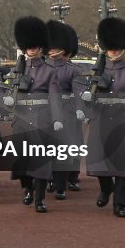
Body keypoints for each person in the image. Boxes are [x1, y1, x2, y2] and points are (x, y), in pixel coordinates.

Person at [83, 17, 125, 217]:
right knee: (98, 160)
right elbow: (89, 97)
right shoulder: (97, 70)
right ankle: (106, 188)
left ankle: (121, 204)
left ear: (123, 48)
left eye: (117, 47)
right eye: (110, 47)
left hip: (124, 119)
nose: (114, 50)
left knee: (123, 163)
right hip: (101, 119)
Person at [2, 17, 63, 213]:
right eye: (28, 46)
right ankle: (27, 188)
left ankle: (40, 198)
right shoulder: (16, 70)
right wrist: (7, 101)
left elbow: (54, 96)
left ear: (40, 47)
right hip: (20, 118)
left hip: (41, 117)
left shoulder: (49, 71)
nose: (31, 49)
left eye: (34, 46)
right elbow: (7, 92)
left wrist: (57, 118)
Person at [45, 20, 84, 200]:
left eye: (55, 47)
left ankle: (71, 176)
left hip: (67, 109)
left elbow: (77, 92)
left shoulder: (72, 70)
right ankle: (52, 177)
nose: (52, 50)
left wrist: (80, 109)